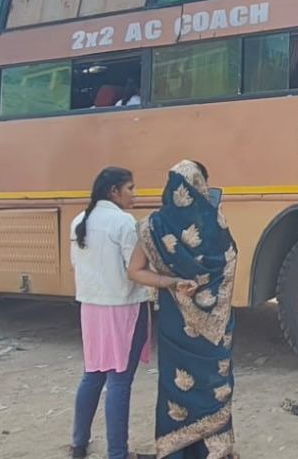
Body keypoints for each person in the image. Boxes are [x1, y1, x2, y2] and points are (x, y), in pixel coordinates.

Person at [70, 167, 191, 459]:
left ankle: (78, 444)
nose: (134, 195)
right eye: (131, 188)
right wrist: (171, 282)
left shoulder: (78, 221)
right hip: (123, 310)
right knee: (120, 382)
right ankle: (118, 453)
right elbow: (135, 272)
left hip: (90, 309)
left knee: (93, 375)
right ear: (114, 191)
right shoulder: (123, 223)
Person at [129, 160, 239, 459]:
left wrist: (172, 282)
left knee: (177, 386)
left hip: (174, 318)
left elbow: (135, 271)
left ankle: (178, 450)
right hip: (216, 325)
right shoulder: (216, 223)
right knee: (213, 384)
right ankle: (215, 450)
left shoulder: (152, 227)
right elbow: (229, 263)